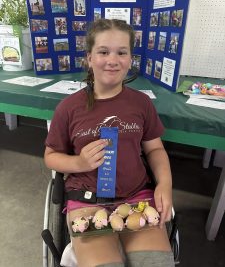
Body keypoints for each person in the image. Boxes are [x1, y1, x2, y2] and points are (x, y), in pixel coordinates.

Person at [44, 18, 175, 267]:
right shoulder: (69, 108)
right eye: (103, 51)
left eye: (121, 52)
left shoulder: (141, 103)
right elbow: (51, 156)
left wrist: (165, 184)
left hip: (137, 197)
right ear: (89, 57)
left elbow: (155, 148)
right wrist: (79, 162)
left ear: (130, 58)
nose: (112, 60)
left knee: (156, 263)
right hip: (87, 201)